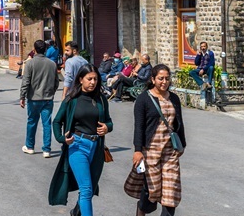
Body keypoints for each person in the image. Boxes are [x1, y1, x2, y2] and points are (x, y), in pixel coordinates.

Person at [49, 64, 113, 216]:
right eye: (89, 79)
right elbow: (57, 121)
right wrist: (61, 138)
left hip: (97, 148)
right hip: (77, 146)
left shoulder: (101, 100)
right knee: (86, 189)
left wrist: (107, 127)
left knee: (90, 189)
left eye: (95, 79)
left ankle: (76, 212)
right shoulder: (72, 99)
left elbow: (109, 121)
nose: (93, 82)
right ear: (80, 79)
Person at [125, 64, 186, 216]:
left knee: (171, 192)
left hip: (170, 152)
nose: (164, 82)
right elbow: (139, 126)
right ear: (152, 79)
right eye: (160, 78)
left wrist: (182, 145)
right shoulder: (143, 99)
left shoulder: (174, 98)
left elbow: (179, 123)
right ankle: (141, 211)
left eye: (166, 78)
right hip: (150, 151)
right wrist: (138, 150)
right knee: (153, 190)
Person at [19, 40, 59, 158]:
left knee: (32, 122)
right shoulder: (52, 64)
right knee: (47, 123)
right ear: (45, 49)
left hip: (33, 98)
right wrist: (51, 91)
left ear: (34, 49)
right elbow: (56, 82)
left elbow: (26, 81)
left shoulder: (30, 63)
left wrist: (22, 96)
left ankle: (30, 146)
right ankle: (46, 149)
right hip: (47, 98)